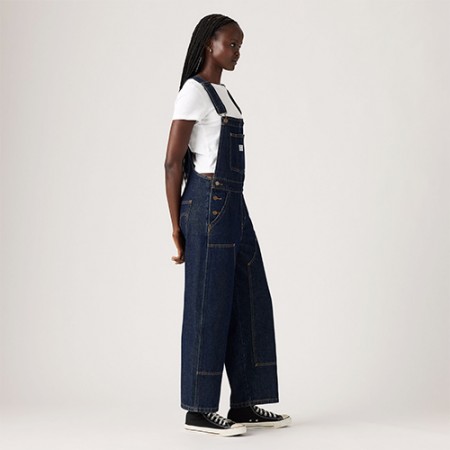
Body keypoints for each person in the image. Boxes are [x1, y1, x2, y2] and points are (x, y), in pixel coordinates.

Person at [164, 13, 291, 437]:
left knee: (250, 299)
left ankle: (245, 402)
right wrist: (176, 227)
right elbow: (172, 162)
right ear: (209, 44)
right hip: (207, 203)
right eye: (231, 44)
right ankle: (199, 408)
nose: (237, 52)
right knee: (208, 304)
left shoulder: (225, 95)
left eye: (240, 46)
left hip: (234, 204)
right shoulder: (193, 92)